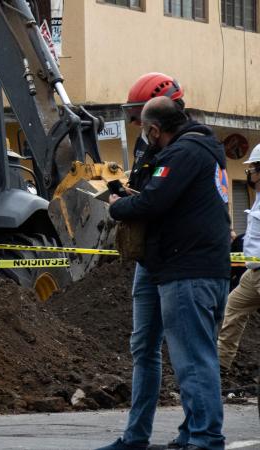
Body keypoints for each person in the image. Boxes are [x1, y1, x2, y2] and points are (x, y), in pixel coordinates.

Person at [99, 97, 231, 450]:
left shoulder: (185, 152)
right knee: (154, 349)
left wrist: (117, 207)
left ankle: (205, 438)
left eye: (143, 129)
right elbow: (155, 193)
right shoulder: (181, 153)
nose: (141, 136)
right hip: (168, 264)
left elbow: (152, 202)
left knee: (192, 357)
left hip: (187, 269)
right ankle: (147, 435)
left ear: (155, 129)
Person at [99, 74, 189, 450]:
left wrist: (129, 205)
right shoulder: (146, 145)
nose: (139, 126)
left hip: (177, 262)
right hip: (147, 260)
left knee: (186, 351)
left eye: (142, 117)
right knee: (143, 349)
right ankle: (136, 435)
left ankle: (195, 432)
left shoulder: (185, 150)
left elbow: (159, 200)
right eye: (135, 116)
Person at [217, 144, 260, 371]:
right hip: (253, 273)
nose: (250, 173)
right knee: (233, 309)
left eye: (253, 168)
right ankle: (220, 365)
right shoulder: (258, 198)